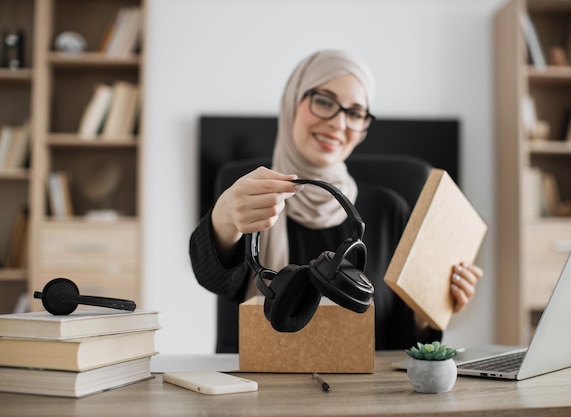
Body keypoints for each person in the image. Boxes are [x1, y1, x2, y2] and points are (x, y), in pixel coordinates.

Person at [189, 50, 483, 351]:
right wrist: (224, 216)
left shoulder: (389, 210)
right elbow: (215, 280)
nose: (338, 123)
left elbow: (397, 342)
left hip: (361, 393)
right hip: (258, 386)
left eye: (355, 113)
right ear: (292, 101)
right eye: (325, 101)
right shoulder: (248, 195)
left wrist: (427, 314)